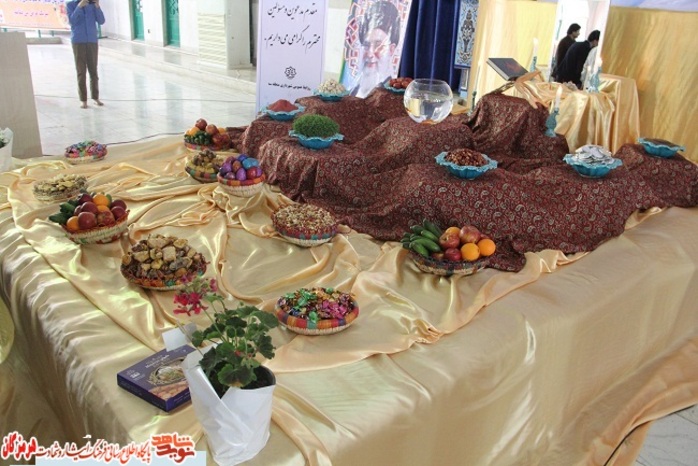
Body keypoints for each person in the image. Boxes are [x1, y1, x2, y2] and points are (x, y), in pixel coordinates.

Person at [351, 1, 401, 98]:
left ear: (391, 49)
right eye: (366, 45)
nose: (370, 54)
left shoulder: (391, 96)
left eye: (378, 46)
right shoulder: (352, 92)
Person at [67, 0, 105, 109]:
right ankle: (83, 99)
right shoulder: (71, 5)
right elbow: (71, 21)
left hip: (92, 40)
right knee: (81, 71)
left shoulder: (92, 5)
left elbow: (101, 21)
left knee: (93, 70)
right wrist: (79, 7)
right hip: (78, 41)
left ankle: (95, 97)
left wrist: (97, 7)